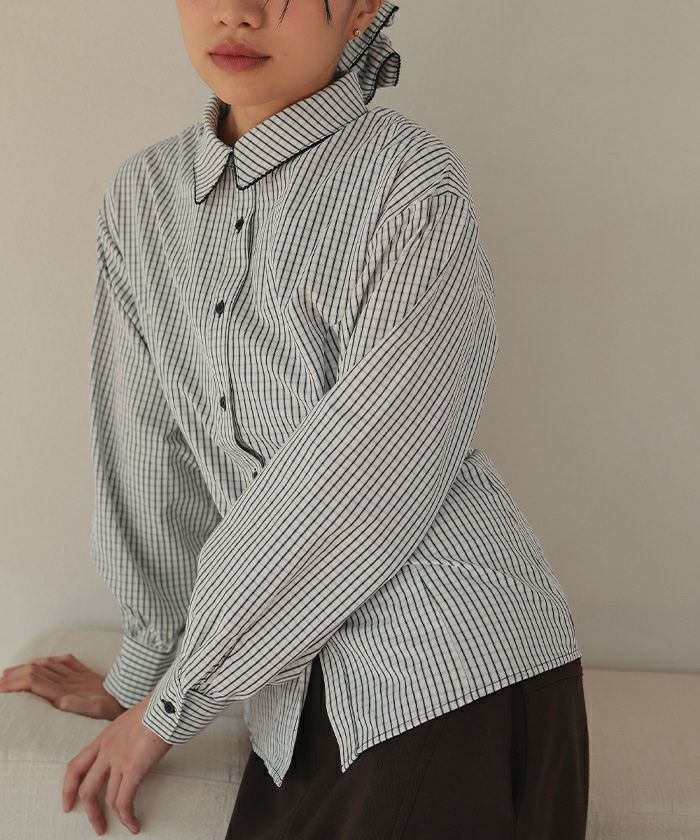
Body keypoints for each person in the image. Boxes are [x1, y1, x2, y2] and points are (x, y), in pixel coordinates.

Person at [0, 0, 589, 836]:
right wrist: (141, 675)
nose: (237, 13)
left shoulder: (409, 181)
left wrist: (172, 702)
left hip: (446, 678)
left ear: (361, 9)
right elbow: (147, 459)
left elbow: (361, 478)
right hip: (289, 701)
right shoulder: (143, 199)